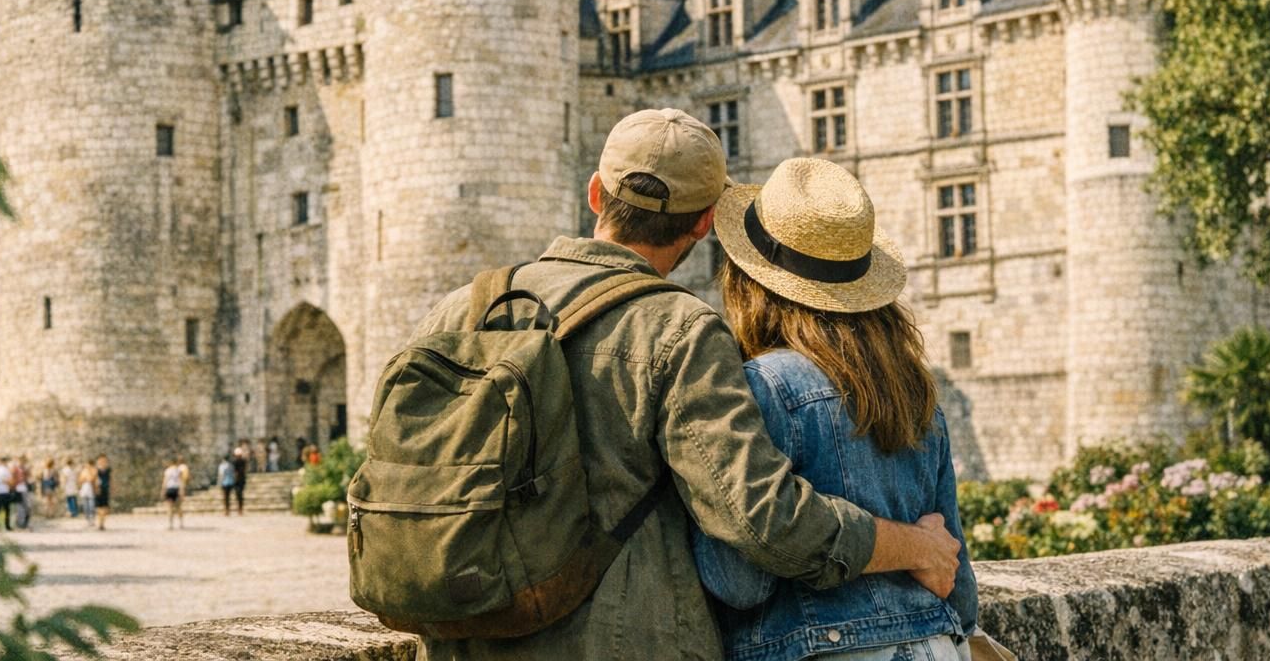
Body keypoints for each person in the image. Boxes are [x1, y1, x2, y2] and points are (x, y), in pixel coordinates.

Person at [408, 109, 959, 661]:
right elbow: (761, 519)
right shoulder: (681, 329)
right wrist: (915, 545)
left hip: (465, 638)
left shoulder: (463, 307)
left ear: (596, 193)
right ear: (703, 224)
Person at [693, 158, 979, 661]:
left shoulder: (766, 387)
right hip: (937, 646)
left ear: (750, 282)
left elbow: (738, 582)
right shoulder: (915, 391)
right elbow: (958, 586)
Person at [162, 457, 185, 529]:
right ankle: (181, 523)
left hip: (169, 489)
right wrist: (182, 491)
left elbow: (165, 481)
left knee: (169, 507)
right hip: (176, 489)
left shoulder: (167, 471)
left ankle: (170, 524)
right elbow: (181, 482)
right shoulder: (179, 471)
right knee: (178, 507)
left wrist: (163, 490)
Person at [10, 455, 31, 530]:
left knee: (27, 507)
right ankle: (19, 524)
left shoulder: (24, 469)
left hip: (24, 489)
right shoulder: (15, 469)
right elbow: (12, 479)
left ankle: (24, 523)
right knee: (19, 508)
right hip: (18, 489)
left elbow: (27, 478)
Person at [77, 458, 97, 526]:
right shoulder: (83, 471)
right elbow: (80, 480)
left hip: (91, 490)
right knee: (85, 506)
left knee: (92, 506)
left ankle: (92, 519)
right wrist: (85, 479)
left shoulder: (94, 470)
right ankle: (88, 520)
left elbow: (92, 479)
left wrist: (87, 477)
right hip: (84, 490)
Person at [94, 454, 111, 530]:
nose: (103, 461)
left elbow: (110, 479)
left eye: (104, 460)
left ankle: (102, 523)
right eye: (101, 460)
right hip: (99, 490)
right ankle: (101, 524)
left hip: (106, 489)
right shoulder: (96, 470)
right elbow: (94, 479)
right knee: (100, 508)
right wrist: (96, 488)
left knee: (105, 508)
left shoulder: (108, 469)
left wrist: (112, 487)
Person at [231, 442, 248, 516]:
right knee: (239, 495)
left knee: (239, 494)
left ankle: (240, 508)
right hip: (239, 479)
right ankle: (240, 508)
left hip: (239, 480)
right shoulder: (241, 461)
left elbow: (236, 471)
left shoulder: (238, 462)